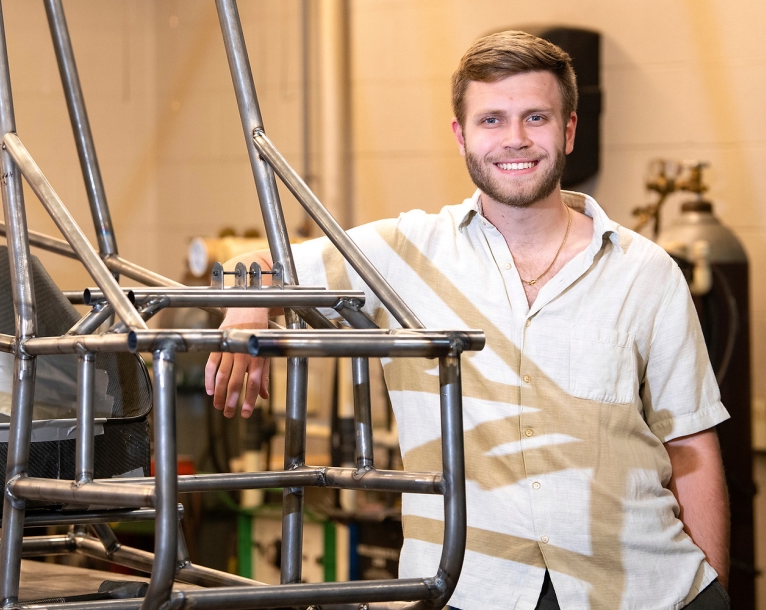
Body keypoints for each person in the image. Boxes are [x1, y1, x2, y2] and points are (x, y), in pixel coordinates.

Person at [204, 31, 730, 610]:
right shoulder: (402, 254)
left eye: (536, 117)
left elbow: (691, 445)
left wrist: (714, 593)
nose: (515, 140)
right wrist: (248, 303)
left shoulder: (646, 272)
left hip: (640, 590)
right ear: (461, 136)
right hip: (466, 591)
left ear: (570, 130)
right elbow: (251, 262)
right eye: (491, 120)